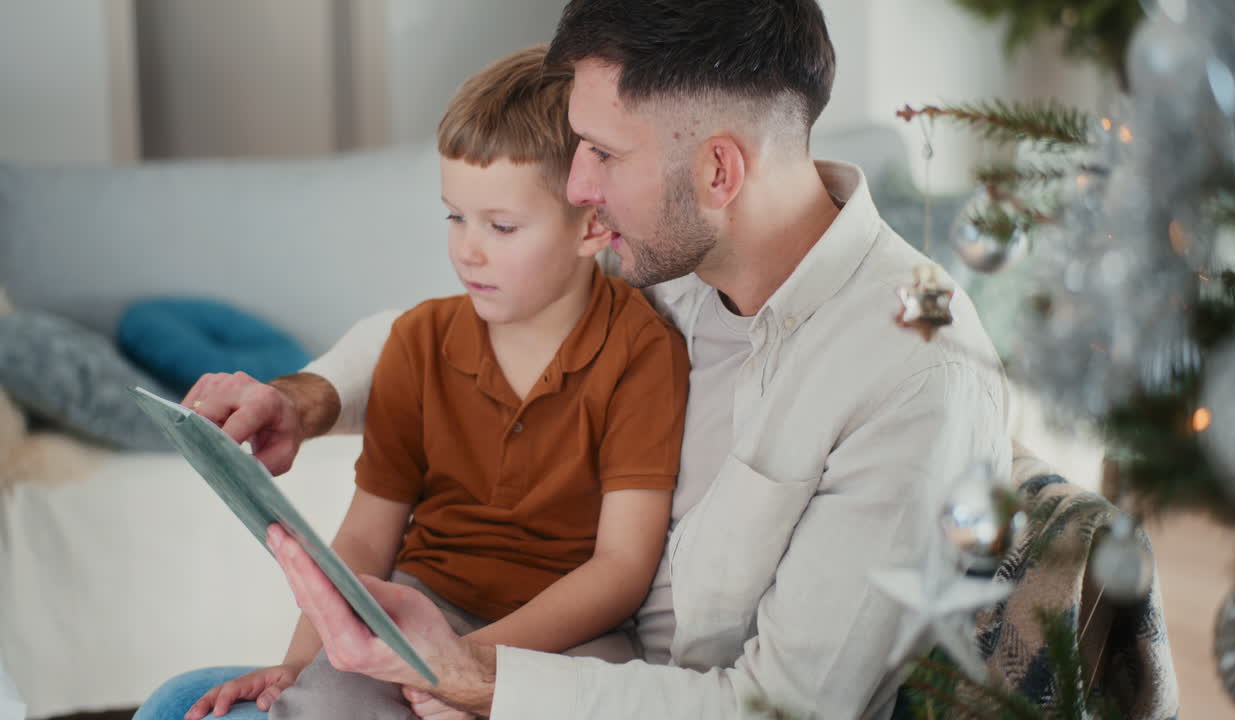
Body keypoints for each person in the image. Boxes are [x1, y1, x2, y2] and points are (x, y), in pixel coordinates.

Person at [144, 1, 1011, 718]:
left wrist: (475, 675)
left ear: (718, 171)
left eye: (602, 153)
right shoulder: (676, 262)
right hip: (525, 666)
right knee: (191, 699)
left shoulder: (914, 375)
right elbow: (436, 334)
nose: (577, 187)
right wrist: (304, 402)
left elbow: (780, 706)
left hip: (609, 692)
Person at [135, 45, 690, 720]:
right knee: (317, 703)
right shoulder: (417, 342)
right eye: (454, 216)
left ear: (593, 225)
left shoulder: (641, 350)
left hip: (572, 636)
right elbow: (366, 541)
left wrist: (467, 669)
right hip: (416, 610)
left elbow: (620, 570)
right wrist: (297, 665)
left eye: (501, 226)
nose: (466, 249)